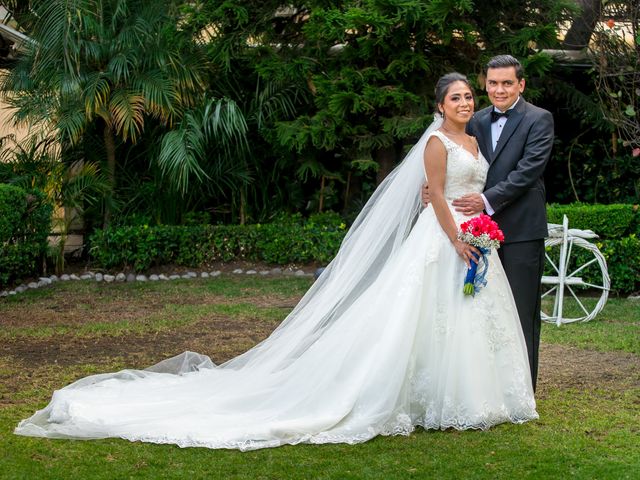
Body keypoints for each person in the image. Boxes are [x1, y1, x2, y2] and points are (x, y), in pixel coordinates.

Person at [15, 73, 537, 451]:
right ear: (440, 104)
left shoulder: (473, 135)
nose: (467, 102)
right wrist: (455, 240)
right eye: (457, 96)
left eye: (470, 95)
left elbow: (471, 186)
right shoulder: (438, 141)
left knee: (464, 319)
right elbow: (437, 195)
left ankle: (467, 399)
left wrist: (478, 228)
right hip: (445, 239)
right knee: (421, 316)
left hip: (475, 236)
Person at [425, 56, 554, 391]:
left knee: (522, 311)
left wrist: (485, 200)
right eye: (493, 83)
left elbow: (528, 170)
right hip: (475, 230)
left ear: (520, 85)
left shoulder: (539, 119)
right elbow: (454, 161)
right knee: (481, 310)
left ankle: (524, 388)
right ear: (486, 84)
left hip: (522, 229)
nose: (499, 89)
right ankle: (486, 386)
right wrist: (431, 188)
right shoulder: (475, 119)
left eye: (507, 83)